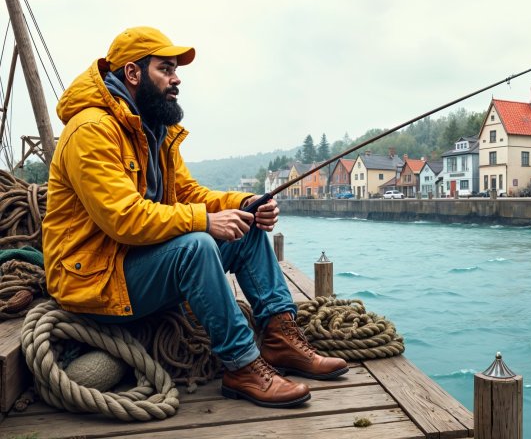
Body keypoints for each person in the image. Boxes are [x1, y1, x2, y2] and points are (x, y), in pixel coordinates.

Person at [42, 26, 348, 408]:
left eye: (175, 70)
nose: (176, 78)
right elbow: (123, 218)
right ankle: (241, 365)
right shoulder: (91, 131)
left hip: (133, 264)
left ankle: (280, 339)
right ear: (133, 74)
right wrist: (204, 220)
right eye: (165, 69)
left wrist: (246, 201)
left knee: (246, 225)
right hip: (96, 281)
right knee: (197, 245)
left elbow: (188, 194)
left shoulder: (154, 129)